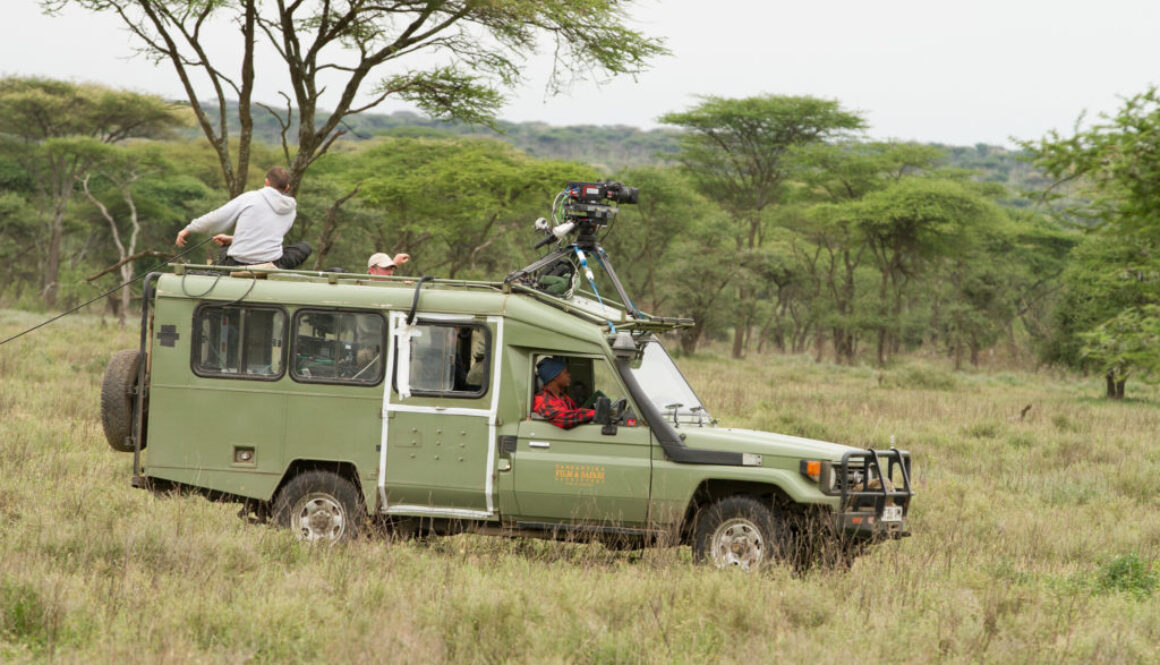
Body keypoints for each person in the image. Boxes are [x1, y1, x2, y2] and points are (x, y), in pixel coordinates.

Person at [175, 166, 311, 270]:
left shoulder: (251, 197)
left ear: (266, 182)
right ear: (287, 187)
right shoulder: (291, 209)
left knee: (224, 251)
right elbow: (268, 235)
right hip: (272, 262)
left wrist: (188, 229)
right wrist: (233, 239)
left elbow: (216, 218)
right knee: (304, 247)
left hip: (239, 262)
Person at [533, 357, 594, 429]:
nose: (569, 375)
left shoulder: (565, 398)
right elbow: (562, 418)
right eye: (565, 372)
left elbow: (575, 413)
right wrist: (594, 413)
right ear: (555, 376)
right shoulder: (542, 400)